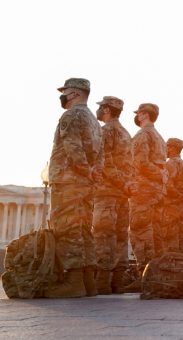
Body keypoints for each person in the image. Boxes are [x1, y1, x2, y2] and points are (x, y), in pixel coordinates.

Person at [46, 78, 103, 298]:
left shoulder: (71, 115)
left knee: (67, 227)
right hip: (86, 183)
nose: (62, 96)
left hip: (68, 179)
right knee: (83, 229)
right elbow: (101, 154)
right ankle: (88, 281)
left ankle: (73, 281)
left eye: (65, 92)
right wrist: (93, 173)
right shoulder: (94, 121)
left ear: (75, 94)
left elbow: (72, 145)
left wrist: (82, 169)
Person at [92, 96, 134, 295]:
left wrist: (119, 181)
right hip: (122, 194)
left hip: (107, 191)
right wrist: (126, 184)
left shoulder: (106, 131)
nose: (98, 111)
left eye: (101, 107)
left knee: (103, 234)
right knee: (119, 236)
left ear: (107, 110)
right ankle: (117, 281)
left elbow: (104, 161)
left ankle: (102, 282)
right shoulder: (126, 133)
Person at [125, 103, 166, 293]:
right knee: (155, 231)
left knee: (140, 230)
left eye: (138, 114)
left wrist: (155, 174)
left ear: (143, 115)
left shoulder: (142, 135)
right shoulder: (159, 137)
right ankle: (156, 274)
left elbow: (139, 163)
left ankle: (145, 275)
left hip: (144, 188)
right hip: (157, 190)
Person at [163, 138, 183, 253]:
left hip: (171, 207)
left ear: (172, 148)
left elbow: (168, 185)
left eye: (167, 147)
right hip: (181, 208)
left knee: (169, 241)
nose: (165, 149)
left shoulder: (171, 163)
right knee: (179, 241)